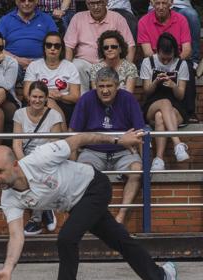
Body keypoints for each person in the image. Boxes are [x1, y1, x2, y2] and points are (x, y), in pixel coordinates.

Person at [0, 132, 185, 280]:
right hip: (76, 204)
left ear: (15, 165)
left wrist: (118, 141)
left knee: (67, 238)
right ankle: (162, 278)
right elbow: (16, 235)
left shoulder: (41, 158)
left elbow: (80, 139)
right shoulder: (9, 198)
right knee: (120, 241)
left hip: (94, 186)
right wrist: (8, 269)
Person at [69, 66, 143, 224]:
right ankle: (97, 216)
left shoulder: (128, 99)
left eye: (109, 86)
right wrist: (71, 164)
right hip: (93, 151)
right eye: (101, 86)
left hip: (124, 150)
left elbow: (140, 132)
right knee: (83, 172)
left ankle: (121, 216)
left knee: (137, 171)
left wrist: (145, 163)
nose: (104, 90)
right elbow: (72, 133)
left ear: (117, 86)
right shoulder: (86, 99)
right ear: (95, 86)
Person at [12, 81, 64, 236]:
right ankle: (45, 208)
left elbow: (55, 145)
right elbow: (16, 144)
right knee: (26, 175)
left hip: (46, 156)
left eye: (41, 97)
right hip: (26, 156)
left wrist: (37, 162)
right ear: (28, 97)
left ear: (46, 98)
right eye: (34, 96)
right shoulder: (19, 114)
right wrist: (25, 163)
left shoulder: (54, 115)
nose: (37, 100)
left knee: (37, 174)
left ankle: (35, 219)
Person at [137, 0, 197, 123]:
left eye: (164, 3)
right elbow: (147, 51)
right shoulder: (143, 21)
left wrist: (174, 62)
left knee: (188, 67)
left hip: (176, 58)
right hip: (154, 59)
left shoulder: (181, 19)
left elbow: (187, 49)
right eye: (157, 3)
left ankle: (190, 112)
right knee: (144, 64)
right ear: (152, 3)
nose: (160, 7)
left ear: (171, 3)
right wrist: (161, 62)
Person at [140, 32, 190, 171]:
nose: (166, 62)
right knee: (164, 103)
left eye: (169, 59)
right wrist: (156, 82)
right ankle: (177, 143)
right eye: (163, 59)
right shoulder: (148, 62)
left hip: (176, 107)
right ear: (158, 51)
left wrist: (173, 85)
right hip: (152, 104)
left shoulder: (181, 64)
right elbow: (146, 92)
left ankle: (159, 159)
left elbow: (180, 96)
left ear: (175, 52)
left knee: (160, 116)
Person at [64, 0, 135, 93]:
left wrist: (126, 66)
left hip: (111, 64)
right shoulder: (78, 18)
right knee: (77, 66)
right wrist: (66, 70)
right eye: (92, 3)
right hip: (86, 64)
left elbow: (130, 45)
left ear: (106, 2)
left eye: (99, 2)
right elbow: (68, 46)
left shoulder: (117, 18)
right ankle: (83, 101)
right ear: (86, 4)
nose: (96, 7)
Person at [23, 31, 80, 126]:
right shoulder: (34, 66)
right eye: (49, 45)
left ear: (61, 49)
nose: (52, 48)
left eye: (57, 46)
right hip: (38, 102)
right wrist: (45, 95)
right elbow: (26, 94)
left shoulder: (70, 67)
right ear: (44, 47)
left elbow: (75, 97)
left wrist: (60, 96)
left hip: (64, 104)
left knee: (49, 102)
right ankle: (63, 134)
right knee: (48, 101)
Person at [0, 0, 58, 81]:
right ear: (16, 1)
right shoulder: (5, 20)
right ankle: (7, 93)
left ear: (36, 1)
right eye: (22, 0)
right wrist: (17, 59)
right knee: (7, 68)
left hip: (41, 61)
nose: (27, 3)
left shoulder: (46, 19)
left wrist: (39, 63)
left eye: (31, 0)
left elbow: (56, 44)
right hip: (12, 61)